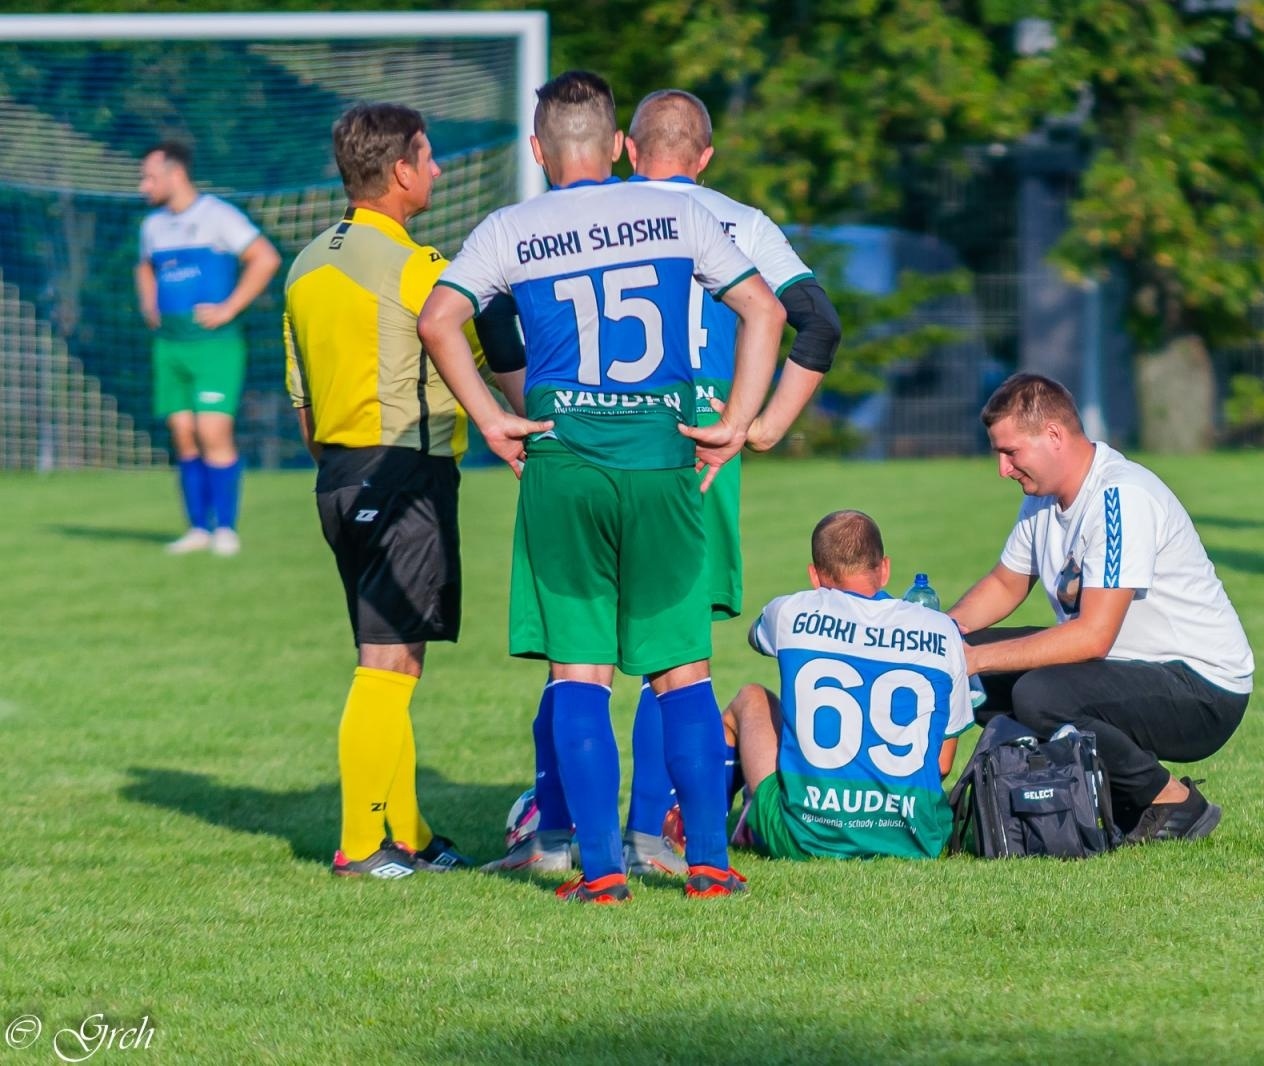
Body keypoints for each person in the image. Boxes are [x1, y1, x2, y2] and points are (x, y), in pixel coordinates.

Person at [418, 71, 787, 904]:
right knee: (684, 673)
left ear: (538, 149)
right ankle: (708, 866)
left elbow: (439, 319)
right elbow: (766, 311)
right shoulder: (676, 214)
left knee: (579, 674)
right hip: (664, 459)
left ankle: (602, 871)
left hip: (566, 463)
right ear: (620, 146)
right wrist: (736, 420)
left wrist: (491, 418)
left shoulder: (511, 226)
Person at [485, 88, 843, 879]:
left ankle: (559, 834)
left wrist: (528, 410)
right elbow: (817, 323)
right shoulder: (738, 222)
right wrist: (762, 426)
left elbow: (488, 314)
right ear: (705, 156)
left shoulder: (583, 216)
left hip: (583, 439)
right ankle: (653, 835)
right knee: (677, 656)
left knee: (575, 654)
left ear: (626, 147)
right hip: (700, 445)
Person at [283, 103, 540, 878]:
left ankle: (410, 833)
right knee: (385, 662)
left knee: (397, 662)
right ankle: (361, 846)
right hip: (402, 474)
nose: (436, 170)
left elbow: (302, 404)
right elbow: (487, 341)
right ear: (399, 171)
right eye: (427, 158)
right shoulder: (418, 266)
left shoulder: (303, 266)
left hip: (338, 476)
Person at [950, 373, 1254, 843]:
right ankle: (1073, 796)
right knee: (974, 673)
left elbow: (1093, 636)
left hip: (1202, 688)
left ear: (1053, 435)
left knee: (1038, 695)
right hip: (1127, 668)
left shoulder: (1120, 496)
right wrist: (936, 638)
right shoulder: (1043, 499)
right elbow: (1005, 584)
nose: (1003, 469)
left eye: (1010, 452)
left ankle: (1172, 801)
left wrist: (975, 659)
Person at [725, 510, 973, 860]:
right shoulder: (942, 629)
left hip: (808, 837)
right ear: (884, 569)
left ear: (815, 575)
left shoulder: (789, 611)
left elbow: (757, 637)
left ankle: (704, 825)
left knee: (751, 698)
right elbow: (942, 763)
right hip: (914, 839)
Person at [137, 141, 281, 556]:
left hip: (214, 346)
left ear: (176, 174)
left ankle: (226, 529)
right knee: (183, 433)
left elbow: (265, 258)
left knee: (212, 431)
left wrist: (229, 307)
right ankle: (198, 528)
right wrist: (148, 303)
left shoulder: (217, 215)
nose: (144, 185)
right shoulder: (153, 226)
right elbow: (144, 266)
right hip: (170, 345)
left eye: (150, 177)